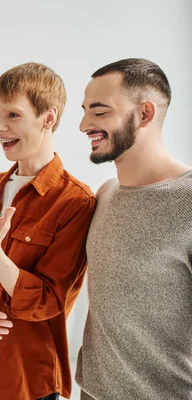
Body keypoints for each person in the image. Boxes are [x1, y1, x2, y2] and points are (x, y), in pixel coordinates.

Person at [0, 62, 96, 400]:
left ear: (49, 117)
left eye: (13, 115)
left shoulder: (75, 202)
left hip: (26, 386)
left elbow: (48, 300)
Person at [75, 58, 192, 399]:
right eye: (84, 111)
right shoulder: (105, 194)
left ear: (144, 114)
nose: (83, 124)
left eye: (99, 112)